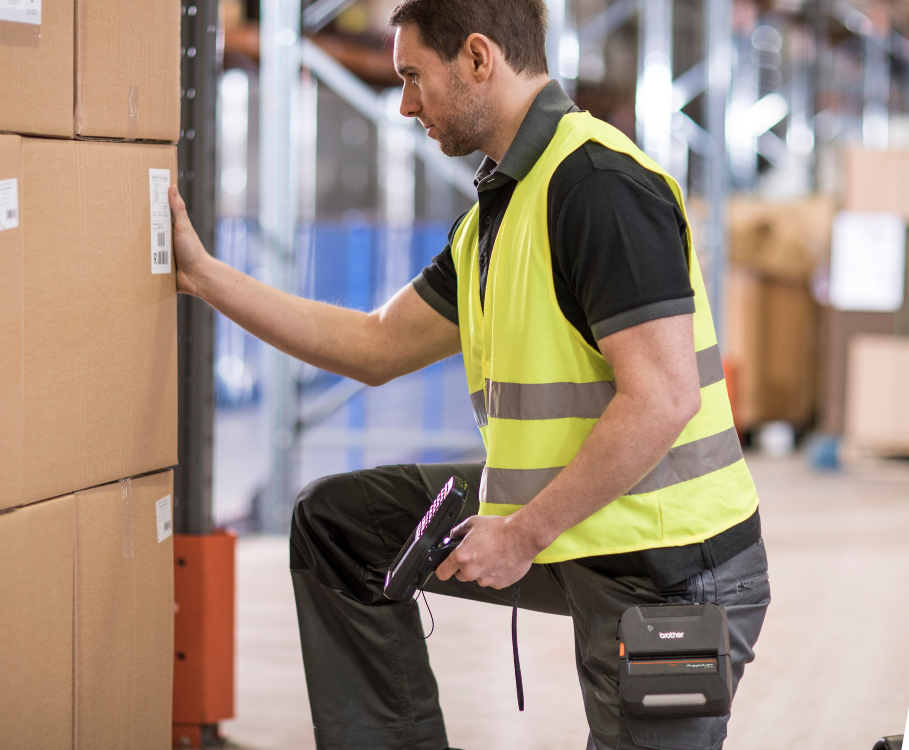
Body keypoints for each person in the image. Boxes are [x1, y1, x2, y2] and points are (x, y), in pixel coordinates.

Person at [170, 0, 771, 747]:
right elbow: (375, 345)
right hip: (569, 522)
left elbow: (665, 397)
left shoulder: (598, 187)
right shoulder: (500, 208)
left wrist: (520, 535)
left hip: (671, 569)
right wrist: (203, 276)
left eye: (415, 76)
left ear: (479, 59)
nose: (405, 102)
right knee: (341, 527)